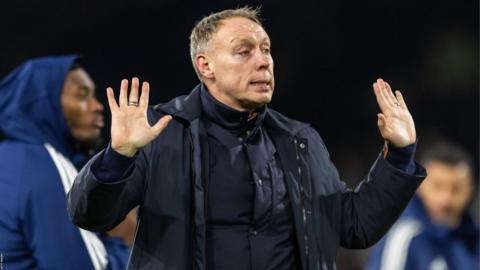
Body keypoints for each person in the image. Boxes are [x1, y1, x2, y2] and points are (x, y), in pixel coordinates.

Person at [67, 7, 427, 270]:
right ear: (205, 66)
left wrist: (399, 155)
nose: (263, 61)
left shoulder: (300, 140)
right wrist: (118, 157)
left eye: (266, 49)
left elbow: (353, 226)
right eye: (244, 51)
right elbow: (89, 215)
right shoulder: (161, 132)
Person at [0, 55, 136, 270]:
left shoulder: (9, 159)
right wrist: (124, 241)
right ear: (45, 104)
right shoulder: (45, 164)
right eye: (82, 95)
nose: (97, 106)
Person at [366, 141, 478, 270]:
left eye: (456, 189)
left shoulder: (473, 240)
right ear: (420, 185)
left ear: (470, 190)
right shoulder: (405, 235)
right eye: (437, 187)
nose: (446, 199)